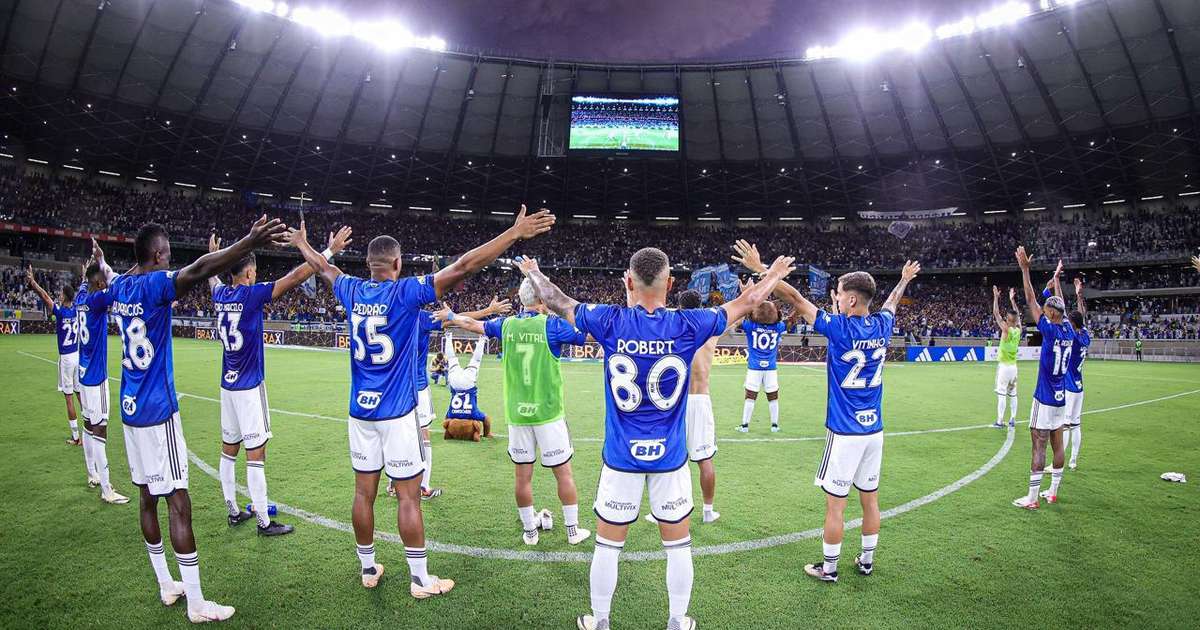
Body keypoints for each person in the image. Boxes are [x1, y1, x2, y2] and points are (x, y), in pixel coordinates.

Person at [520, 246, 794, 630]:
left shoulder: (609, 320)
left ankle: (600, 620)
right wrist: (772, 274)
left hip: (621, 457)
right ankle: (678, 620)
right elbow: (747, 301)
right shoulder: (690, 324)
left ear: (628, 281)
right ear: (671, 283)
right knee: (678, 545)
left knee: (607, 546)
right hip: (670, 457)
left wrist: (534, 270)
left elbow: (555, 299)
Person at [287, 205, 553, 595]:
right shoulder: (407, 291)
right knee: (408, 495)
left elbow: (322, 268)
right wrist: (512, 234)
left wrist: (304, 244)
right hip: (396, 413)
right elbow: (462, 266)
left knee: (364, 492)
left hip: (359, 412)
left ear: (368, 263)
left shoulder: (350, 289)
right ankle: (419, 578)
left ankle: (367, 568)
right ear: (397, 262)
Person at [109, 216, 290, 622]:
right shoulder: (156, 285)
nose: (171, 261)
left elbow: (117, 273)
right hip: (159, 412)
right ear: (157, 256)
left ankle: (165, 584)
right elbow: (200, 271)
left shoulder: (120, 286)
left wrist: (103, 262)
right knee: (179, 503)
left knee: (145, 498)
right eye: (168, 256)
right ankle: (195, 602)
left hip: (129, 410)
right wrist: (247, 241)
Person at [733, 239, 918, 583]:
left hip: (845, 431)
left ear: (849, 299)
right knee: (871, 499)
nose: (835, 295)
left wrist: (764, 271)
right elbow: (891, 303)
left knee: (836, 505)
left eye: (838, 292)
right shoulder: (881, 325)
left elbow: (796, 300)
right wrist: (904, 280)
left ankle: (829, 569)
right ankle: (866, 562)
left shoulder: (838, 327)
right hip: (874, 431)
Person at [209, 227, 352, 536]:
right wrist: (328, 252)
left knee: (228, 450)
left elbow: (212, 276)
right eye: (255, 271)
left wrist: (215, 255)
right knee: (256, 453)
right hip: (248, 387)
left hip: (227, 385)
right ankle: (263, 521)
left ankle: (233, 510)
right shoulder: (251, 294)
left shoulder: (219, 294)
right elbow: (296, 277)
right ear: (248, 274)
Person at [438, 277, 591, 547]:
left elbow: (473, 325)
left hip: (518, 415)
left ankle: (530, 532)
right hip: (548, 413)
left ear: (522, 300)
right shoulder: (552, 326)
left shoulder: (506, 325)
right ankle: (572, 531)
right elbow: (587, 335)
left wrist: (451, 315)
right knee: (563, 473)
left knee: (522, 477)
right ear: (543, 300)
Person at [404, 297, 510, 501]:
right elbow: (458, 319)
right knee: (422, 435)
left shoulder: (389, 315)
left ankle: (393, 484)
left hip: (393, 387)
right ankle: (423, 487)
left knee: (400, 434)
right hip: (416, 387)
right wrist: (488, 309)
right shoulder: (420, 317)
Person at [1012, 251, 1074, 510]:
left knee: (1038, 442)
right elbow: (1060, 306)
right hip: (1061, 397)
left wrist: (1025, 270)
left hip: (1045, 397)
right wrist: (1054, 283)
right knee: (1057, 442)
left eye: (1046, 308)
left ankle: (1032, 498)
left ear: (1051, 313)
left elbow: (1029, 300)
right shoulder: (1069, 328)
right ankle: (1053, 491)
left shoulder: (1048, 328)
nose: (1043, 309)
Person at [74, 238, 129, 504]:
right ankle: (107, 489)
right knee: (100, 430)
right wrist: (107, 263)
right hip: (96, 377)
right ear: (98, 283)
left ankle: (92, 473)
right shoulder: (97, 299)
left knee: (88, 424)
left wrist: (97, 260)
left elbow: (86, 279)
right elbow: (119, 286)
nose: (105, 283)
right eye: (102, 281)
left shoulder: (80, 296)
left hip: (83, 374)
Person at [25, 266, 83, 448]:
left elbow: (45, 297)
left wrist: (33, 283)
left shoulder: (60, 311)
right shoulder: (76, 309)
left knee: (69, 398)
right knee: (80, 395)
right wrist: (84, 276)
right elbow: (82, 291)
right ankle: (91, 431)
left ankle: (76, 437)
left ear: (65, 296)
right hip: (77, 355)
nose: (58, 295)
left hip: (66, 359)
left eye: (60, 293)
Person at [738, 301, 787, 433]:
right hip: (771, 367)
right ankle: (775, 425)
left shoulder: (750, 326)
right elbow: (786, 322)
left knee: (750, 396)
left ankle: (744, 425)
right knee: (773, 396)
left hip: (754, 367)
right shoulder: (779, 327)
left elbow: (741, 317)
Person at [1060, 278, 1090, 472]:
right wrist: (1079, 294)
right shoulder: (1085, 336)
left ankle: (1059, 460)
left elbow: (1064, 313)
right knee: (1076, 424)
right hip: (1079, 386)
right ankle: (1073, 460)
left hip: (1070, 386)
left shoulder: (1074, 338)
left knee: (1066, 424)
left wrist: (1057, 283)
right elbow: (1082, 317)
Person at [440, 330, 493, 438]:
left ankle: (482, 338)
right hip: (455, 383)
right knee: (452, 358)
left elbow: (486, 419)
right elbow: (446, 418)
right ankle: (449, 336)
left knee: (476, 360)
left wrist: (487, 433)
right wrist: (487, 434)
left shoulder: (473, 413)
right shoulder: (452, 414)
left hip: (468, 383)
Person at [990, 286, 1022, 429]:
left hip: (1004, 367)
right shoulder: (1018, 330)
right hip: (1014, 367)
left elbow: (996, 313)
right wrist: (1012, 300)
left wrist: (996, 297)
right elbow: (1018, 317)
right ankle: (1013, 419)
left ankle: (999, 420)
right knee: (1013, 394)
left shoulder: (1005, 329)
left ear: (1008, 320)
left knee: (1001, 394)